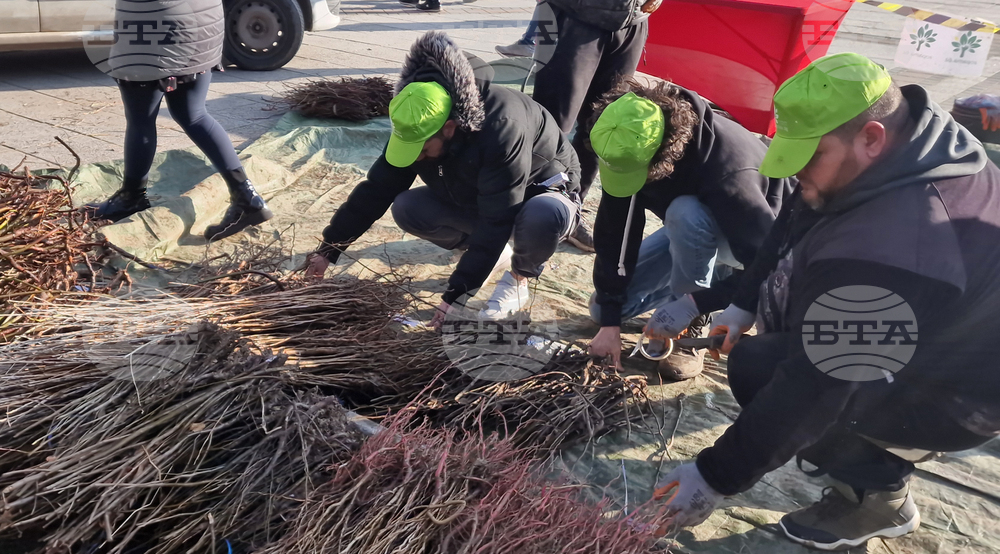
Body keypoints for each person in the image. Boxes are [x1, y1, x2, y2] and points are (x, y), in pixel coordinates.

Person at [656, 53, 1000, 551]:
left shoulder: (896, 246)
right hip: (926, 326)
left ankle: (878, 497)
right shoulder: (914, 140)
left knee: (762, 370)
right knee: (775, 353)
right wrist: (743, 301)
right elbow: (794, 215)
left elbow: (817, 383)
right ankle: (859, 448)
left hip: (962, 396)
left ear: (871, 138)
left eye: (810, 159)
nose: (798, 178)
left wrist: (714, 477)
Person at [305, 31, 581, 324]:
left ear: (449, 128)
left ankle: (518, 278)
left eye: (422, 149)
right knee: (408, 207)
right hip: (482, 191)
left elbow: (499, 215)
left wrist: (456, 295)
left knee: (542, 215)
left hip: (540, 193)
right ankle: (492, 253)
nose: (417, 157)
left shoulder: (502, 127)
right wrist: (329, 250)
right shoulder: (417, 119)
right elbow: (376, 191)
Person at [586, 80, 793, 380]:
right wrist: (610, 323)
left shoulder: (730, 177)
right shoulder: (626, 138)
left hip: (753, 239)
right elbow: (614, 231)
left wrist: (695, 304)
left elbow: (768, 265)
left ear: (663, 155)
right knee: (601, 309)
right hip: (689, 232)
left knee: (686, 212)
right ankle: (683, 293)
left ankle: (690, 332)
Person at [87, 0, 272, 242]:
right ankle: (246, 196)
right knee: (193, 114)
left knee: (140, 118)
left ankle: (131, 198)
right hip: (203, 23)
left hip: (156, 23)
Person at [531, 0, 657, 210]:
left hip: (633, 20)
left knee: (604, 125)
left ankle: (571, 206)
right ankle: (531, 204)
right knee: (551, 125)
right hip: (574, 16)